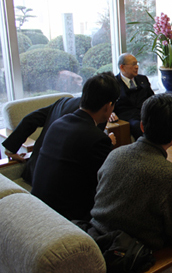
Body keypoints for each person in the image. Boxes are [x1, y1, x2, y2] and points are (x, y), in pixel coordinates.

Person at [90, 93, 172, 250]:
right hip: (139, 254)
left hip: (98, 240)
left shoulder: (114, 155)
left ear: (141, 126)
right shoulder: (171, 177)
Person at [31, 72, 120, 221]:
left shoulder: (58, 124)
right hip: (68, 219)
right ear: (108, 106)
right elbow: (106, 185)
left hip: (39, 208)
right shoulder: (96, 139)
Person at [1, 97, 110, 184]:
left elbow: (31, 119)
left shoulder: (63, 102)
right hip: (61, 182)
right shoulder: (98, 114)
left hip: (34, 172)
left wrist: (10, 149)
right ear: (108, 105)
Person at [110, 53, 155, 140]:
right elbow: (108, 104)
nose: (137, 67)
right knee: (138, 126)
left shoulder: (143, 79)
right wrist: (110, 113)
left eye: (137, 64)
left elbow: (153, 98)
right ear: (122, 67)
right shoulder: (113, 83)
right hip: (129, 117)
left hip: (146, 113)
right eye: (133, 64)